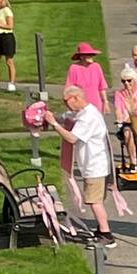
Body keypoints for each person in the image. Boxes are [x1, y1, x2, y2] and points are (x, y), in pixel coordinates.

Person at [47, 83, 113, 245]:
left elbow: (72, 138)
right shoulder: (85, 112)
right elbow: (68, 116)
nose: (65, 104)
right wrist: (56, 117)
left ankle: (106, 234)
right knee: (95, 200)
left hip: (95, 165)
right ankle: (102, 229)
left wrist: (54, 125)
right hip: (94, 164)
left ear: (76, 98)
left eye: (66, 100)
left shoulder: (88, 117)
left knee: (94, 201)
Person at [65, 42, 110, 116]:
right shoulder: (74, 68)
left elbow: (102, 87)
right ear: (81, 56)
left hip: (96, 104)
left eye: (91, 54)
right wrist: (70, 106)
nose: (90, 56)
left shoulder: (96, 66)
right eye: (87, 54)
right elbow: (69, 89)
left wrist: (105, 102)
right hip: (81, 105)